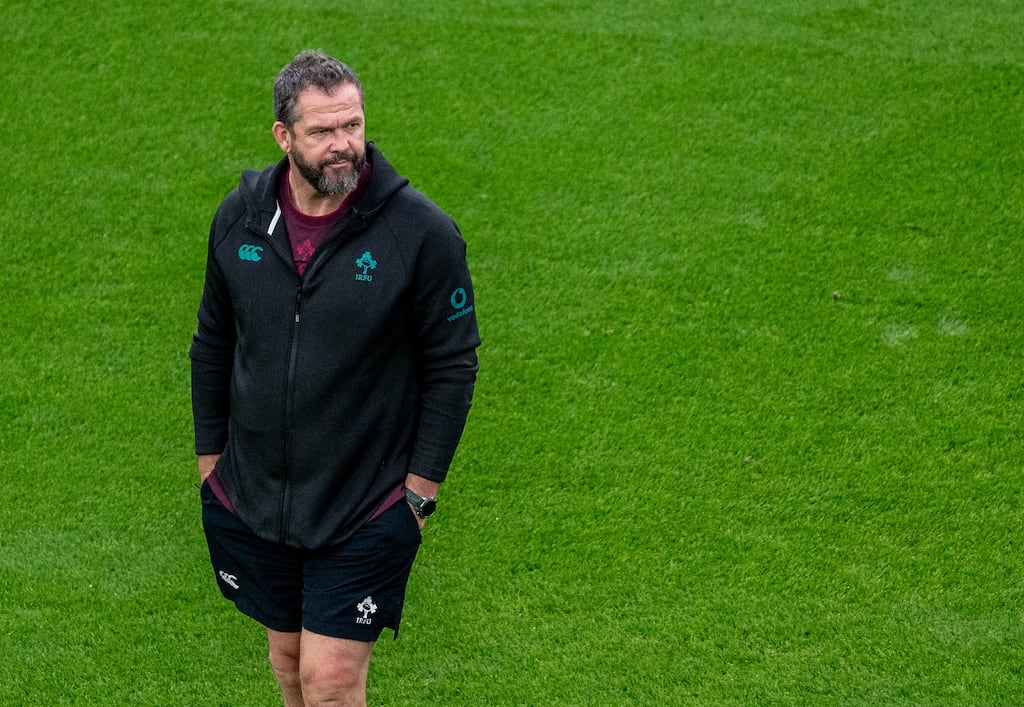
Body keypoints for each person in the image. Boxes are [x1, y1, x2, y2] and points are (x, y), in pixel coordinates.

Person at [189, 50, 480, 706]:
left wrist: (419, 496)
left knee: (330, 680)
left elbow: (453, 365)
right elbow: (211, 344)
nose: (343, 144)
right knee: (289, 661)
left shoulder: (419, 233)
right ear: (283, 136)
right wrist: (213, 464)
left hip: (368, 502)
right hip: (258, 496)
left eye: (352, 124)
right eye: (321, 132)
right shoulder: (239, 220)